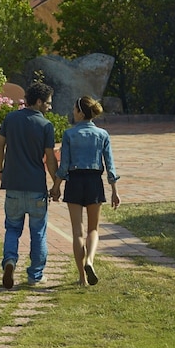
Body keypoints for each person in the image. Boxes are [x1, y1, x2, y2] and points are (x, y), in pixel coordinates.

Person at [0, 80, 59, 289]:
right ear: (39, 102)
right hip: (36, 187)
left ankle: (10, 260)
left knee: (12, 228)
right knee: (38, 232)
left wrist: (1, 170)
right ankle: (35, 275)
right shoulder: (46, 126)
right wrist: (56, 184)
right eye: (48, 102)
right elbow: (50, 159)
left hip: (12, 185)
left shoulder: (11, 118)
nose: (50, 107)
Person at [51, 95, 120, 287]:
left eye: (75, 109)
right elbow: (110, 164)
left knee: (77, 231)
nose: (73, 112)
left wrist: (56, 187)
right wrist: (114, 190)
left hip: (74, 181)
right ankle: (90, 259)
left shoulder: (69, 134)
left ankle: (82, 278)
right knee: (93, 229)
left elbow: (64, 165)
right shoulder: (102, 134)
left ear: (80, 112)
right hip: (94, 182)